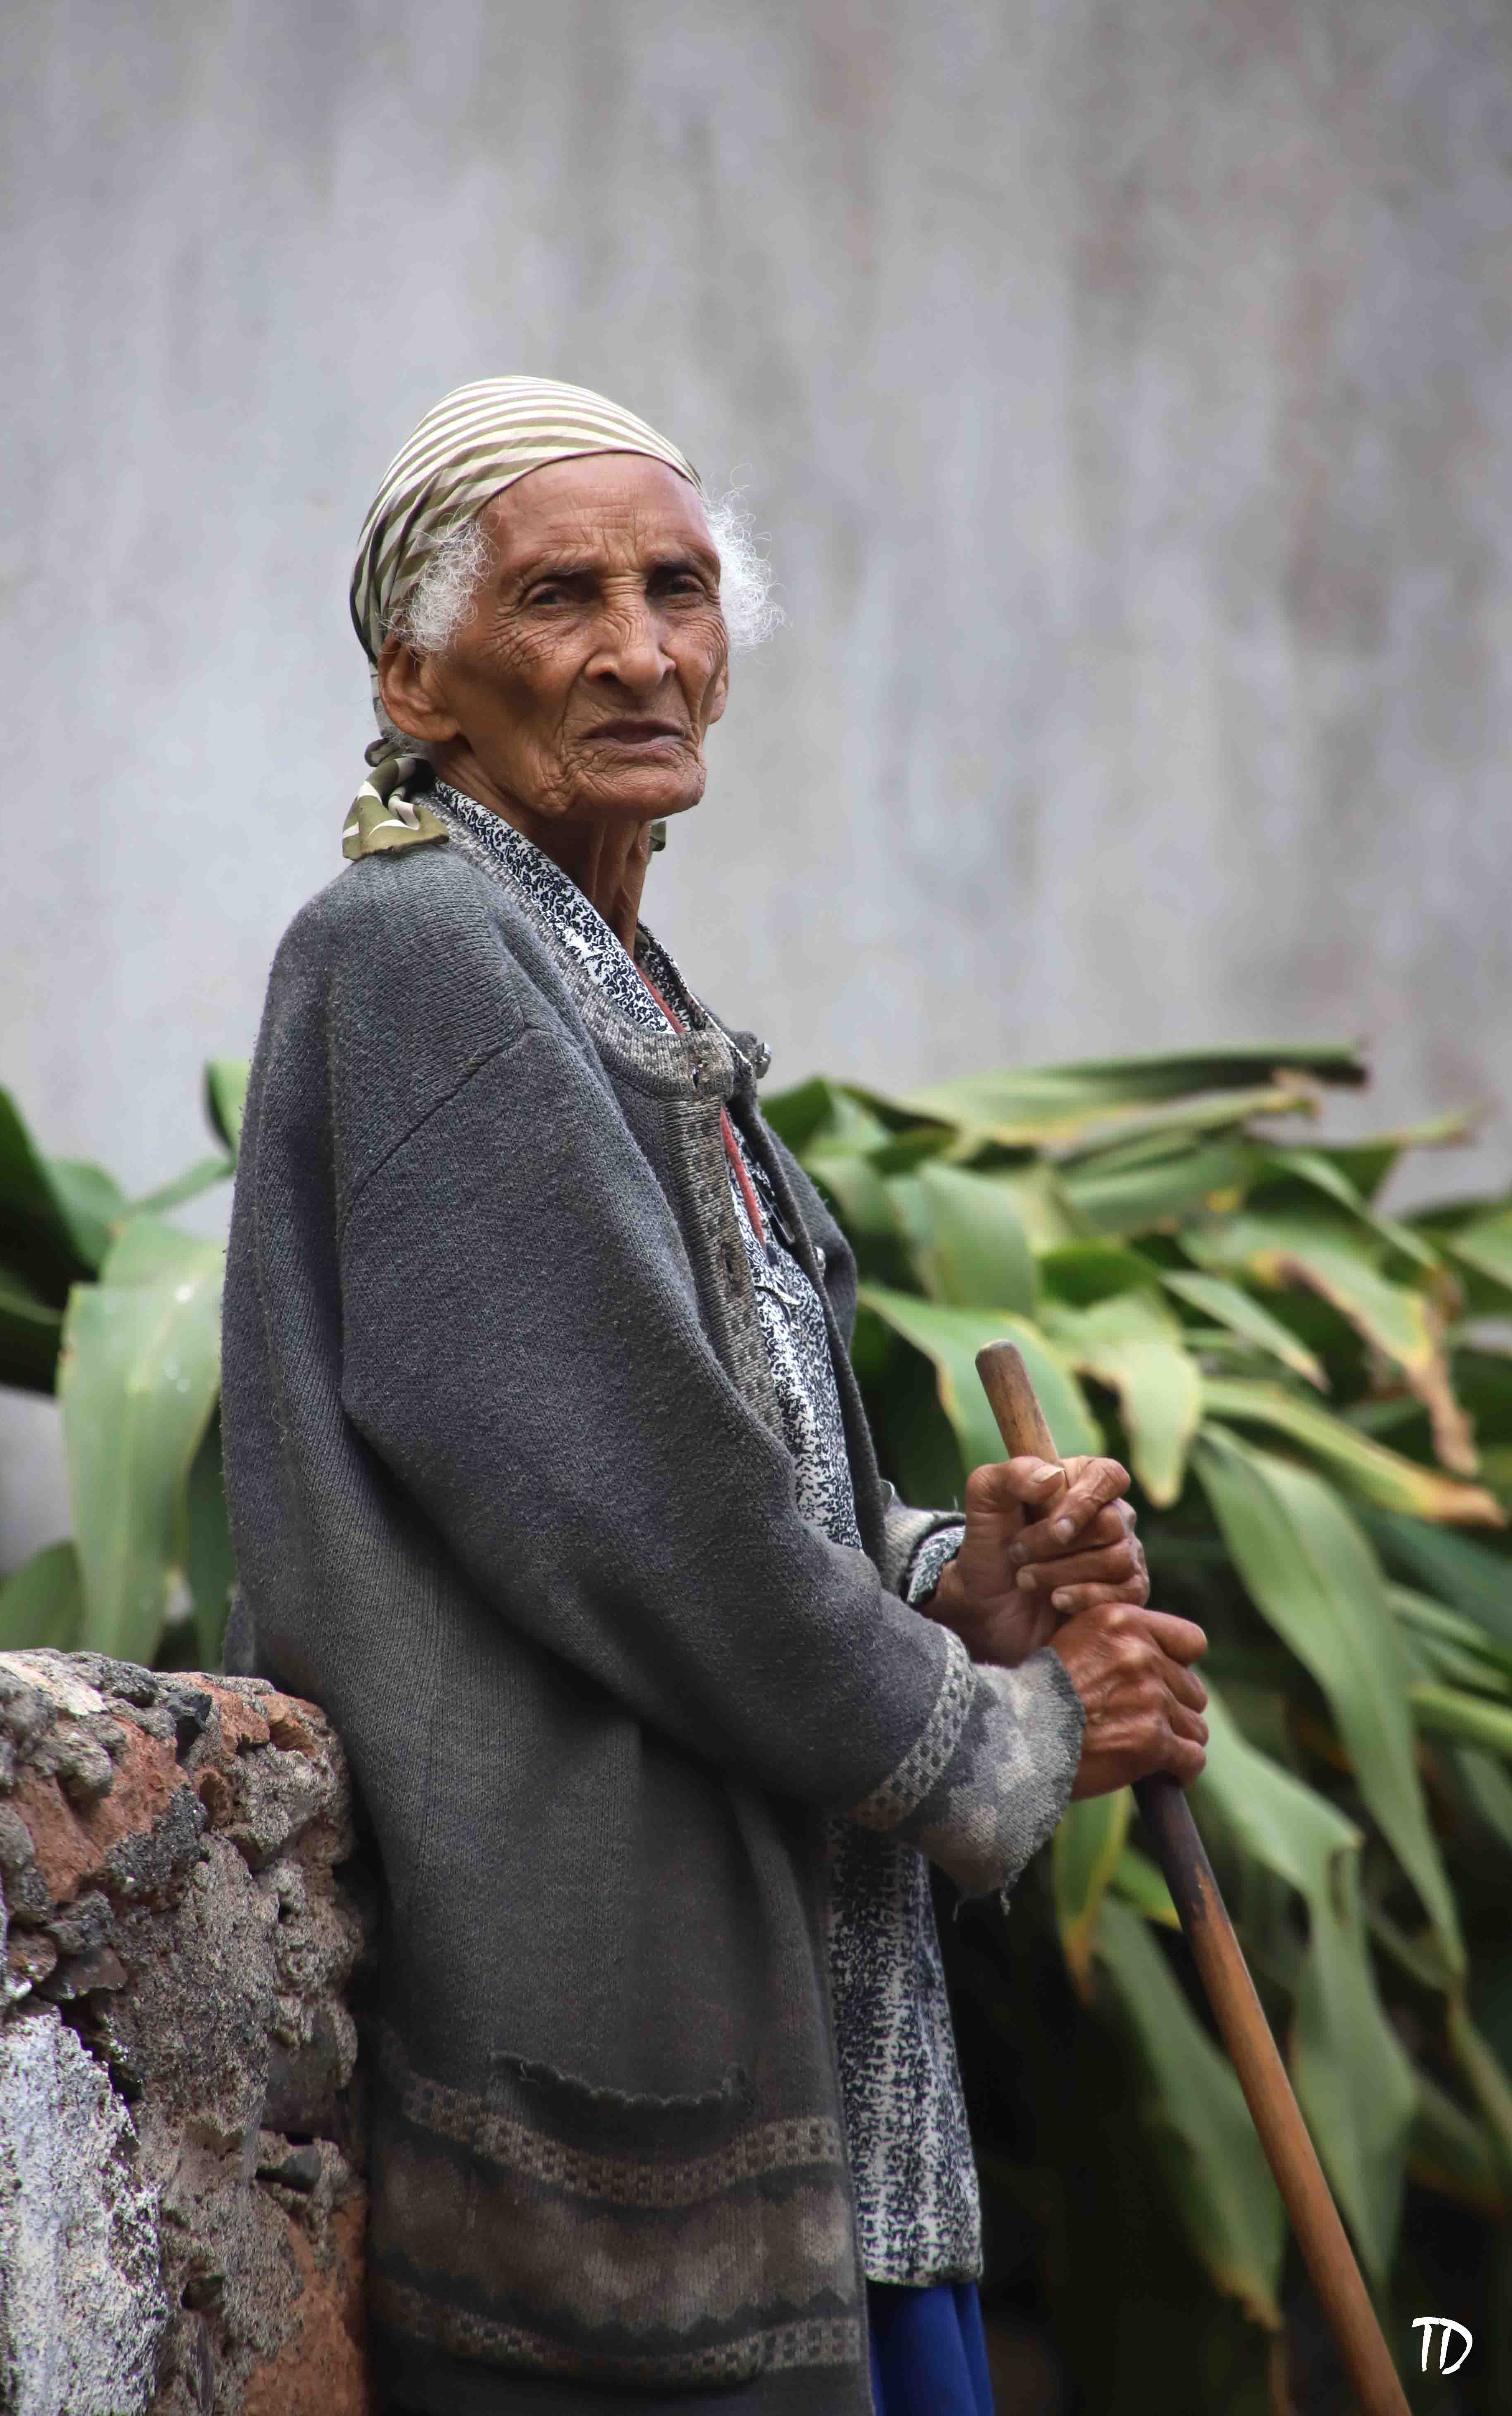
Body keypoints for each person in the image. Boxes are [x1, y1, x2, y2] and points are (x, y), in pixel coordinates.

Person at [220, 377, 1209, 2416]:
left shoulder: (617, 981)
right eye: (558, 596)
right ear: (413, 679)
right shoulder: (418, 946)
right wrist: (1003, 1736)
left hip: (808, 2032)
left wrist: (948, 1580)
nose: (638, 649)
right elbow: (637, 1511)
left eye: (676, 590)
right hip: (604, 1988)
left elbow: (720, 1471)